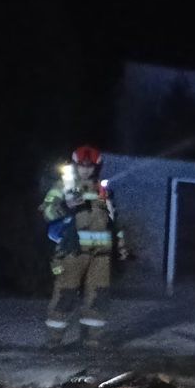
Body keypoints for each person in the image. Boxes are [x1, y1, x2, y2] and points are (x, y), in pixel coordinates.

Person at [42, 145, 131, 348]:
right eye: (82, 165)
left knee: (98, 296)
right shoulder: (63, 186)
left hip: (101, 254)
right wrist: (66, 208)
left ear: (96, 167)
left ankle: (92, 340)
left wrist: (121, 244)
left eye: (90, 166)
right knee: (65, 293)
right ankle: (54, 341)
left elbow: (114, 220)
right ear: (76, 166)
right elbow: (47, 210)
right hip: (72, 252)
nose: (85, 169)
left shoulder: (103, 190)